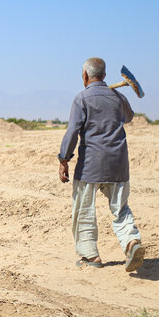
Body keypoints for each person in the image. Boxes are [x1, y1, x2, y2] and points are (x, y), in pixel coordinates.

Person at [58, 57, 145, 272]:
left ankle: (90, 256)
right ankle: (131, 242)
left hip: (90, 166)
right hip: (118, 163)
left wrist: (63, 159)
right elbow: (129, 117)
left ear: (85, 75)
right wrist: (114, 100)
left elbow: (72, 132)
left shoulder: (82, 98)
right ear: (104, 76)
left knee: (84, 210)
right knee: (121, 209)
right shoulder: (119, 97)